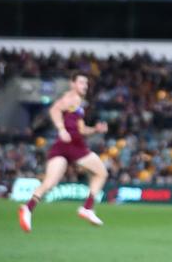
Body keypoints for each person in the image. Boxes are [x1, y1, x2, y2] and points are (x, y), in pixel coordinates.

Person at [17, 72, 110, 232]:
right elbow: (54, 109)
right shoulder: (72, 97)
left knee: (49, 183)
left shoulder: (78, 104)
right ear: (72, 84)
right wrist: (61, 129)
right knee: (101, 174)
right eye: (81, 82)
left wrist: (95, 129)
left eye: (86, 83)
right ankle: (87, 208)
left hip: (63, 145)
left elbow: (81, 129)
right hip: (74, 145)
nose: (85, 86)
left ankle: (28, 208)